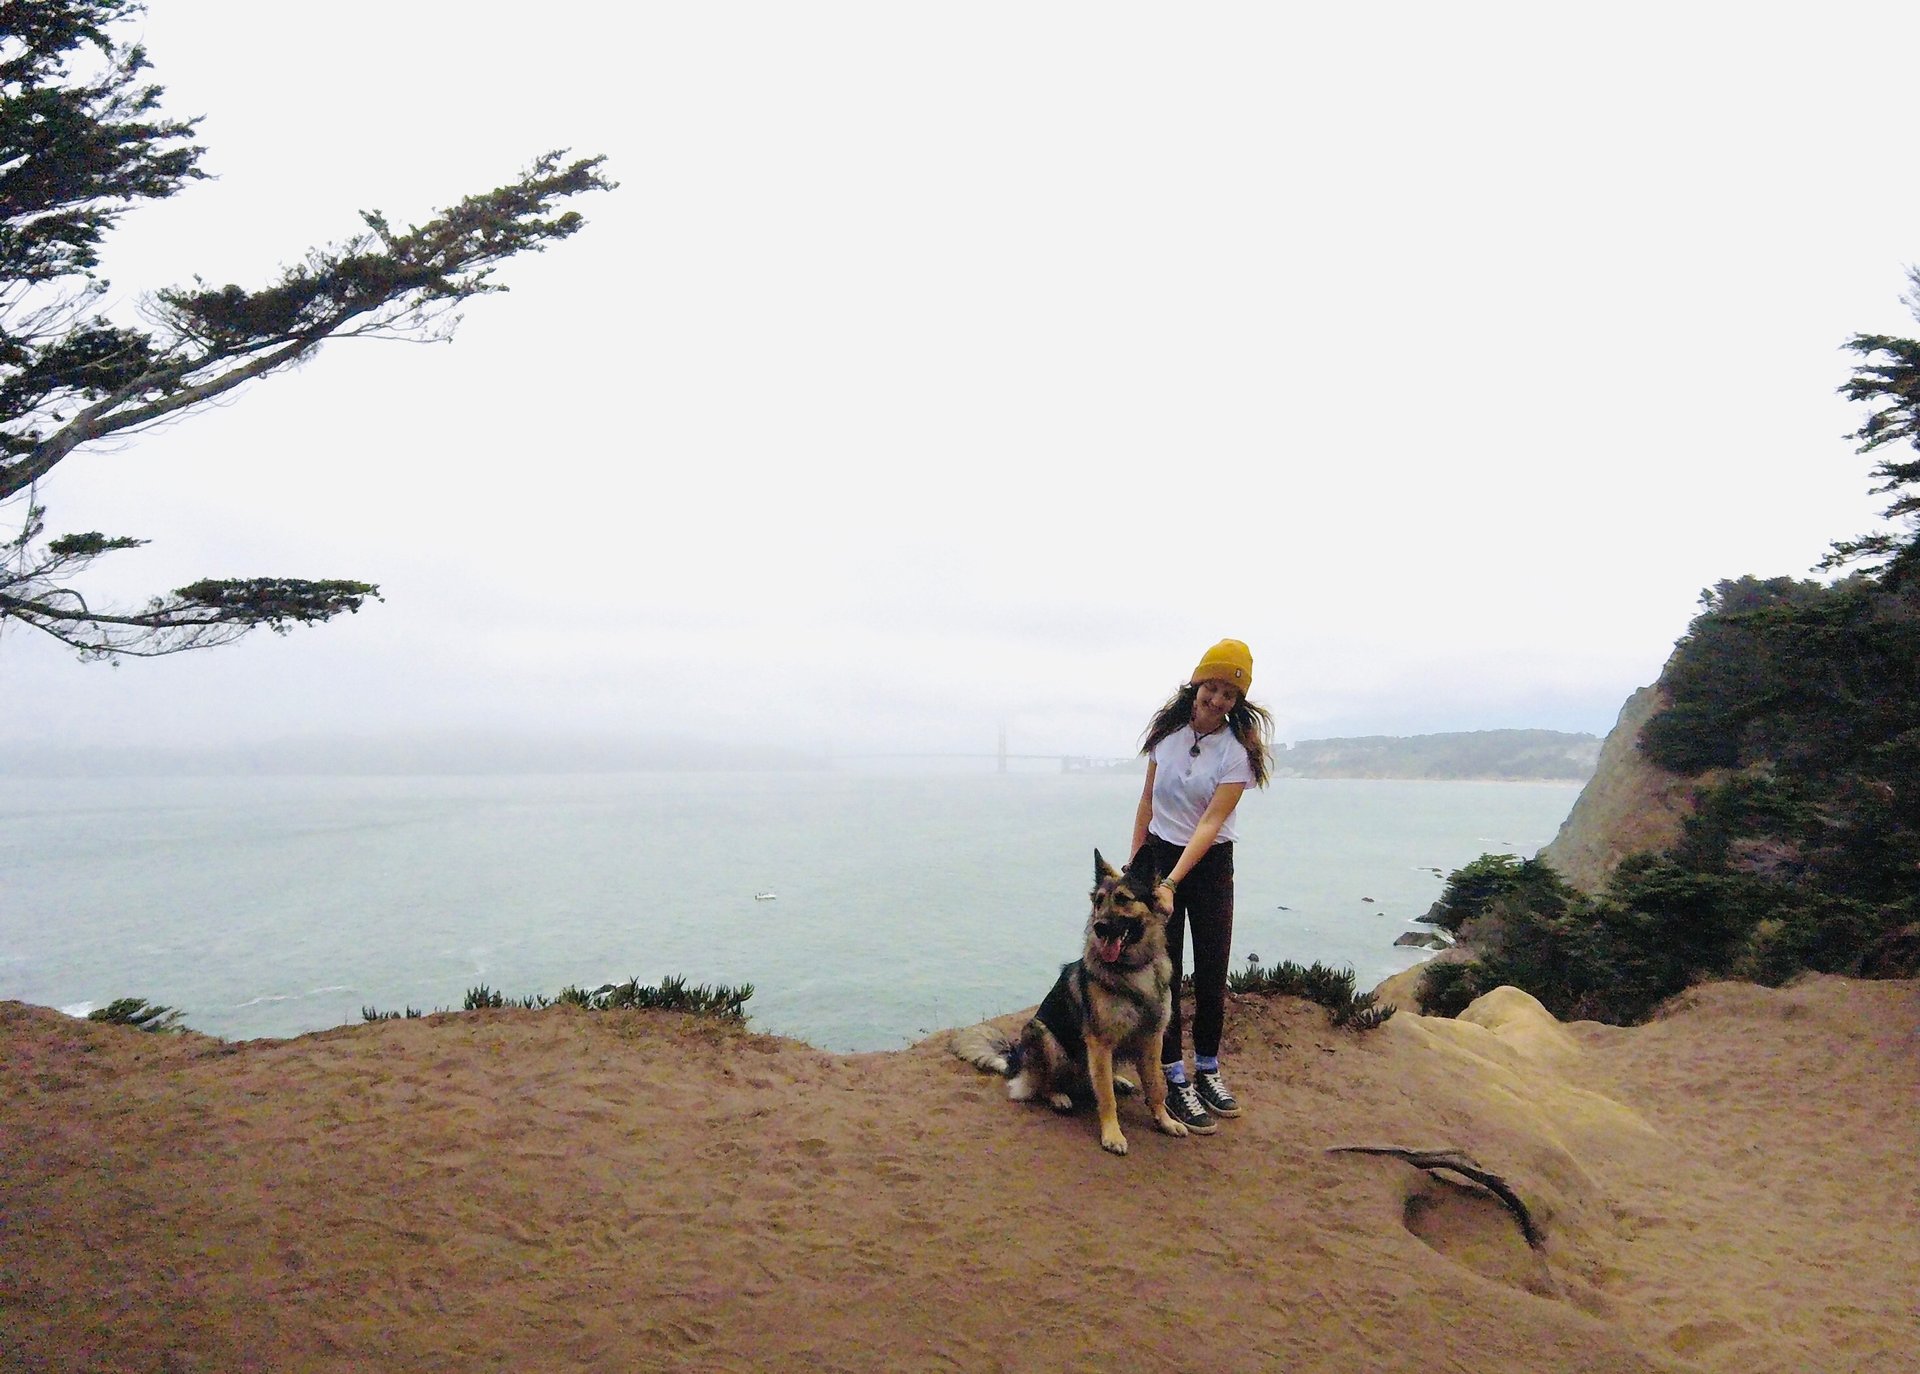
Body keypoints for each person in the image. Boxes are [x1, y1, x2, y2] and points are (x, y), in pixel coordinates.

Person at [1129, 638, 1273, 1134]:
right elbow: (1147, 804)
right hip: (1161, 858)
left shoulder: (1237, 753)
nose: (1218, 699)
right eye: (1212, 687)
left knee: (1213, 972)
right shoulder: (1166, 736)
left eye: (1229, 694)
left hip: (1209, 865)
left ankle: (1208, 1069)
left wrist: (1172, 882)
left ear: (1237, 701)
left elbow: (1210, 824)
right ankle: (1173, 1077)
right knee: (1164, 976)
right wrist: (1137, 870)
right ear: (1197, 684)